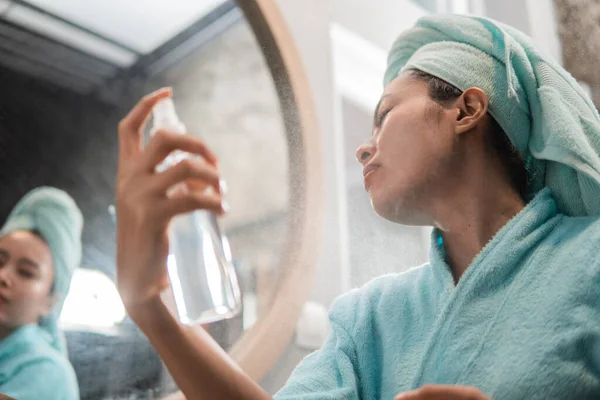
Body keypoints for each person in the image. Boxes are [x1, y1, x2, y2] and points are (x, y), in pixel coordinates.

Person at [114, 13, 600, 400]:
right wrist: (149, 306)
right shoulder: (370, 317)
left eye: (384, 116)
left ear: (467, 110)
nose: (363, 149)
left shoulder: (590, 260)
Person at [0, 187, 82, 399]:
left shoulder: (48, 372)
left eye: (26, 273)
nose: (3, 276)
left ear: (50, 302)